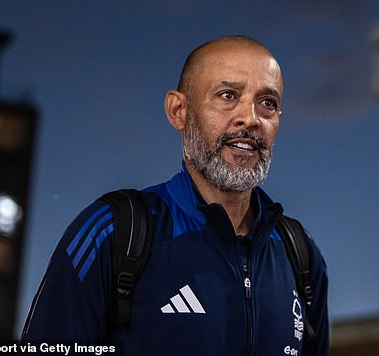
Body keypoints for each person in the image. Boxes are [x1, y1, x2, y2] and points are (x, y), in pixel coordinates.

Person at [21, 35, 329, 355]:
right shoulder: (112, 232)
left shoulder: (300, 255)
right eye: (228, 95)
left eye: (268, 103)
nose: (250, 118)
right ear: (178, 110)